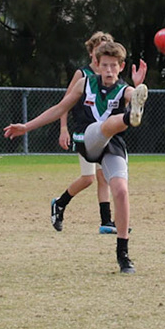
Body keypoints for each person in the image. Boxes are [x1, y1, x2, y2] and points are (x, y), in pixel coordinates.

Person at [5, 39, 150, 273]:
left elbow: (135, 94)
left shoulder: (125, 89)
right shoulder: (85, 83)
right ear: (97, 65)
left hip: (112, 144)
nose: (109, 70)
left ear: (121, 67)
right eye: (105, 65)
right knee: (104, 127)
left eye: (114, 65)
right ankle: (127, 118)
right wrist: (26, 126)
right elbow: (59, 109)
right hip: (87, 138)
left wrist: (138, 87)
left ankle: (123, 255)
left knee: (121, 192)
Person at [58, 32, 118, 233]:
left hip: (102, 133)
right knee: (88, 178)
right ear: (92, 52)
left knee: (104, 176)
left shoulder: (110, 75)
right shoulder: (82, 75)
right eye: (99, 49)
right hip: (84, 133)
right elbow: (64, 104)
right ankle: (60, 203)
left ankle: (106, 222)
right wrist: (63, 128)